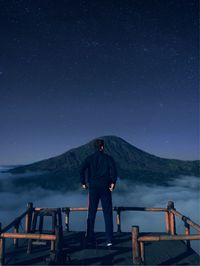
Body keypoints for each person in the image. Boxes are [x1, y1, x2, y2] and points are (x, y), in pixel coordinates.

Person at [80, 138, 117, 247]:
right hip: (105, 187)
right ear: (102, 147)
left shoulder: (89, 158)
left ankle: (89, 237)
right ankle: (109, 239)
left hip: (93, 188)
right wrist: (113, 183)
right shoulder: (108, 158)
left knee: (91, 213)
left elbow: (81, 169)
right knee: (107, 213)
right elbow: (114, 171)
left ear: (95, 147)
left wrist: (83, 183)